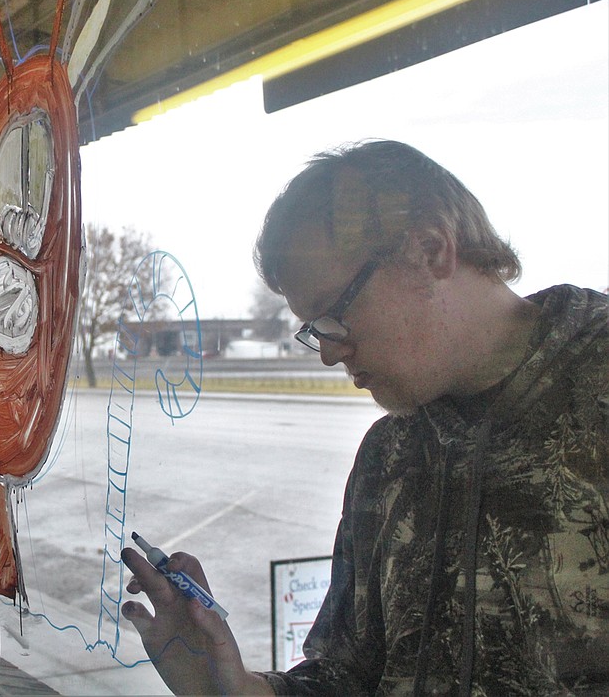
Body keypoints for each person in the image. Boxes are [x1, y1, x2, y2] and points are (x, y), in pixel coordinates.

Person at [121, 139, 609, 695]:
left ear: (430, 250)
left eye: (337, 311)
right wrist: (235, 686)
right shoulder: (391, 453)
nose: (328, 351)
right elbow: (347, 677)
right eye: (315, 328)